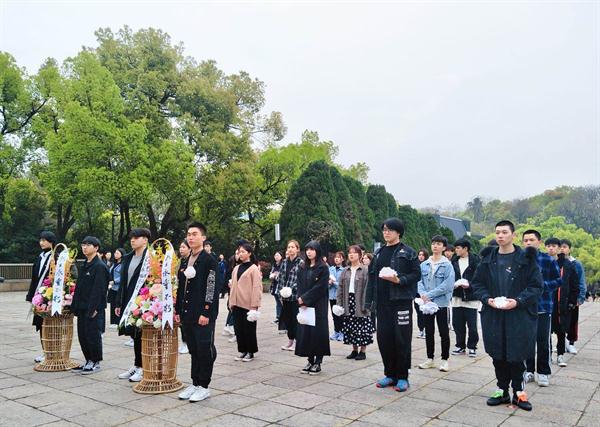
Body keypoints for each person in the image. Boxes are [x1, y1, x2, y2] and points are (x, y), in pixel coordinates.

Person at [471, 220, 542, 411]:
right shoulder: (487, 259)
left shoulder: (526, 259)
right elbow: (477, 284)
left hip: (518, 315)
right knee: (498, 353)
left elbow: (536, 287)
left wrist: (518, 301)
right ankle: (502, 389)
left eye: (504, 232)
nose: (500, 236)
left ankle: (518, 392)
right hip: (494, 313)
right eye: (497, 232)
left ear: (513, 235)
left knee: (517, 353)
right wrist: (487, 299)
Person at [365, 218, 421, 392]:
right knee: (384, 339)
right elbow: (371, 279)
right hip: (382, 304)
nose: (386, 232)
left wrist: (399, 280)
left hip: (401, 302)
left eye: (389, 230)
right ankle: (390, 374)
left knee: (402, 339)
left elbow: (416, 274)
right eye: (384, 230)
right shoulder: (378, 253)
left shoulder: (408, 252)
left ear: (398, 232)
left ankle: (402, 377)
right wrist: (368, 302)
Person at [176, 222, 219, 403]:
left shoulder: (209, 260)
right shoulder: (186, 260)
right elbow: (181, 287)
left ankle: (204, 386)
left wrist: (206, 312)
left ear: (203, 237)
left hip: (202, 313)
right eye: (189, 234)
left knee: (204, 349)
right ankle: (194, 383)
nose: (191, 237)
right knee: (193, 349)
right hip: (188, 312)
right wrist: (178, 310)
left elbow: (211, 288)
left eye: (195, 234)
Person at [522, 229, 561, 387]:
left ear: (539, 242)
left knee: (543, 341)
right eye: (525, 240)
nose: (528, 243)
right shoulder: (519, 259)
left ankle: (543, 372)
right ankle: (529, 370)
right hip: (524, 307)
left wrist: (542, 286)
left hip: (543, 306)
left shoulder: (547, 260)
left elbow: (558, 281)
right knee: (526, 341)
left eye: (531, 240)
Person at [115, 228, 151, 382]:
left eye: (136, 237)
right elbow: (123, 283)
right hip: (128, 301)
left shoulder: (150, 258)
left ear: (145, 240)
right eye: (131, 237)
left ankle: (143, 367)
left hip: (142, 302)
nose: (132, 240)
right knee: (134, 335)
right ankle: (137, 365)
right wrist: (119, 302)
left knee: (142, 335)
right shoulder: (128, 257)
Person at [71, 236, 109, 375]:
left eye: (88, 245)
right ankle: (88, 360)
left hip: (93, 308)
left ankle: (95, 361)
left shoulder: (100, 266)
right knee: (83, 335)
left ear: (96, 248)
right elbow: (79, 288)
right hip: (82, 307)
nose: (84, 247)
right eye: (83, 244)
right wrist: (74, 306)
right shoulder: (85, 264)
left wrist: (94, 308)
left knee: (93, 335)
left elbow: (99, 290)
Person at [417, 236, 455, 372]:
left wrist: (429, 295)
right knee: (429, 331)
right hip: (427, 304)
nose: (435, 246)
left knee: (443, 331)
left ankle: (445, 360)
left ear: (444, 247)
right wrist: (423, 294)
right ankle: (430, 359)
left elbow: (448, 285)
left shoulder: (447, 265)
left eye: (438, 244)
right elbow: (419, 281)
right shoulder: (424, 264)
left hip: (441, 303)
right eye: (433, 243)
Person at [296, 240, 330, 375]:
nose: (309, 252)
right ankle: (310, 360)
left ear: (317, 251)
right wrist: (301, 299)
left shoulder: (323, 267)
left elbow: (320, 287)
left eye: (312, 249)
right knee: (307, 332)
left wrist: (305, 298)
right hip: (305, 305)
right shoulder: (302, 267)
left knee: (318, 332)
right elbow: (299, 284)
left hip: (318, 304)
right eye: (307, 250)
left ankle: (318, 362)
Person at [337, 245, 374, 360]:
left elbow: (368, 288)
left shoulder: (365, 270)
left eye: (354, 253)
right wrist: (339, 303)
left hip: (361, 300)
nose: (351, 255)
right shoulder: (345, 270)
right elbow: (340, 287)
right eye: (350, 253)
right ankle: (354, 350)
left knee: (362, 326)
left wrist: (367, 304)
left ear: (360, 255)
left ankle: (363, 351)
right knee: (351, 325)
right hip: (348, 300)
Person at [546, 238, 579, 368]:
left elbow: (574, 284)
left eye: (554, 246)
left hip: (562, 303)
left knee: (561, 331)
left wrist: (572, 301)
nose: (551, 248)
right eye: (548, 246)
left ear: (559, 248)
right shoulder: (543, 262)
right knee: (546, 331)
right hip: (546, 302)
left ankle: (560, 355)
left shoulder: (568, 265)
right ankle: (547, 355)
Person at [26, 231, 57, 363]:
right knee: (41, 324)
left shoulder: (57, 256)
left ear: (51, 242)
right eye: (40, 240)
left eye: (44, 240)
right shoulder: (40, 257)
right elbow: (35, 278)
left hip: (50, 297)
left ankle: (52, 352)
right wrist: (31, 296)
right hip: (39, 296)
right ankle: (45, 351)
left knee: (51, 325)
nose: (41, 243)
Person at [229, 242, 263, 362]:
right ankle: (243, 350)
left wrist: (254, 305)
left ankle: (250, 351)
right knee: (239, 329)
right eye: (239, 252)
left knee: (249, 329)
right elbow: (233, 286)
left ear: (249, 253)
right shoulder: (236, 268)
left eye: (243, 252)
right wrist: (231, 302)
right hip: (236, 303)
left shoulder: (254, 269)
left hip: (248, 304)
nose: (240, 254)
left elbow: (257, 288)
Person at [450, 239, 480, 357]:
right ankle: (460, 346)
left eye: (458, 248)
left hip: (471, 297)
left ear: (466, 248)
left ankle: (472, 347)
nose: (456, 250)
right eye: (455, 248)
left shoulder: (475, 261)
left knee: (472, 325)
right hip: (457, 296)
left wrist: (470, 285)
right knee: (457, 324)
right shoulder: (454, 261)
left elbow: (479, 279)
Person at [560, 239, 587, 354]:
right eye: (560, 247)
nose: (562, 249)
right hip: (560, 297)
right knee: (560, 322)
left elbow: (581, 281)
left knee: (572, 321)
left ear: (569, 249)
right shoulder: (556, 262)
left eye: (564, 247)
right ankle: (561, 344)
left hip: (572, 296)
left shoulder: (576, 264)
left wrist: (580, 298)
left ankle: (571, 344)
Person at [277, 240, 304, 351]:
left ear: (297, 249)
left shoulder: (301, 262)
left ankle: (298, 341)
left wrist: (291, 289)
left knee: (295, 319)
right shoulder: (284, 262)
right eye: (289, 247)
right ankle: (290, 341)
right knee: (287, 319)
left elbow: (301, 280)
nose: (290, 249)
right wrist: (280, 293)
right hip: (284, 296)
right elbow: (280, 278)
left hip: (295, 296)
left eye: (293, 247)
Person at [178, 240, 191, 354]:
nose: (181, 249)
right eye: (180, 247)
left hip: (188, 295)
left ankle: (187, 343)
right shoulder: (180, 261)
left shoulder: (191, 262)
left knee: (186, 321)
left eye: (183, 247)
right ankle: (183, 342)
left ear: (189, 248)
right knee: (181, 320)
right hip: (180, 293)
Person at [328, 251, 345, 341]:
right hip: (331, 296)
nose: (336, 259)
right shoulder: (330, 269)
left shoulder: (344, 270)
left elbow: (343, 285)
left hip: (340, 296)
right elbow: (326, 283)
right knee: (334, 315)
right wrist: (329, 283)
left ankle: (342, 332)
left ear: (343, 259)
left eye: (339, 257)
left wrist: (334, 282)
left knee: (340, 315)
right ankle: (336, 331)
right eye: (335, 257)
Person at [107, 248, 125, 329]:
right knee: (112, 304)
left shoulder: (123, 264)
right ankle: (113, 322)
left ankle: (118, 322)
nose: (115, 254)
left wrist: (114, 281)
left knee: (118, 304)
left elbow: (123, 276)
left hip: (118, 288)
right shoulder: (113, 263)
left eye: (117, 253)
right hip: (112, 287)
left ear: (122, 254)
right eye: (115, 253)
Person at [415, 248, 429, 339]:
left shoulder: (428, 266)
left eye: (422, 255)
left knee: (425, 312)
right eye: (419, 255)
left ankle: (426, 330)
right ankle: (421, 330)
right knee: (418, 312)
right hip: (416, 293)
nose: (420, 256)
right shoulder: (415, 265)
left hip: (425, 292)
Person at [269, 251, 284, 326]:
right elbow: (271, 273)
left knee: (282, 303)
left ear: (281, 257)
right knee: (278, 302)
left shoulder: (283, 264)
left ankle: (283, 318)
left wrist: (276, 275)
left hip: (280, 287)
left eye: (278, 255)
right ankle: (278, 317)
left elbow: (282, 276)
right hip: (274, 286)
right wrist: (272, 275)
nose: (276, 257)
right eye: (275, 255)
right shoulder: (274, 265)